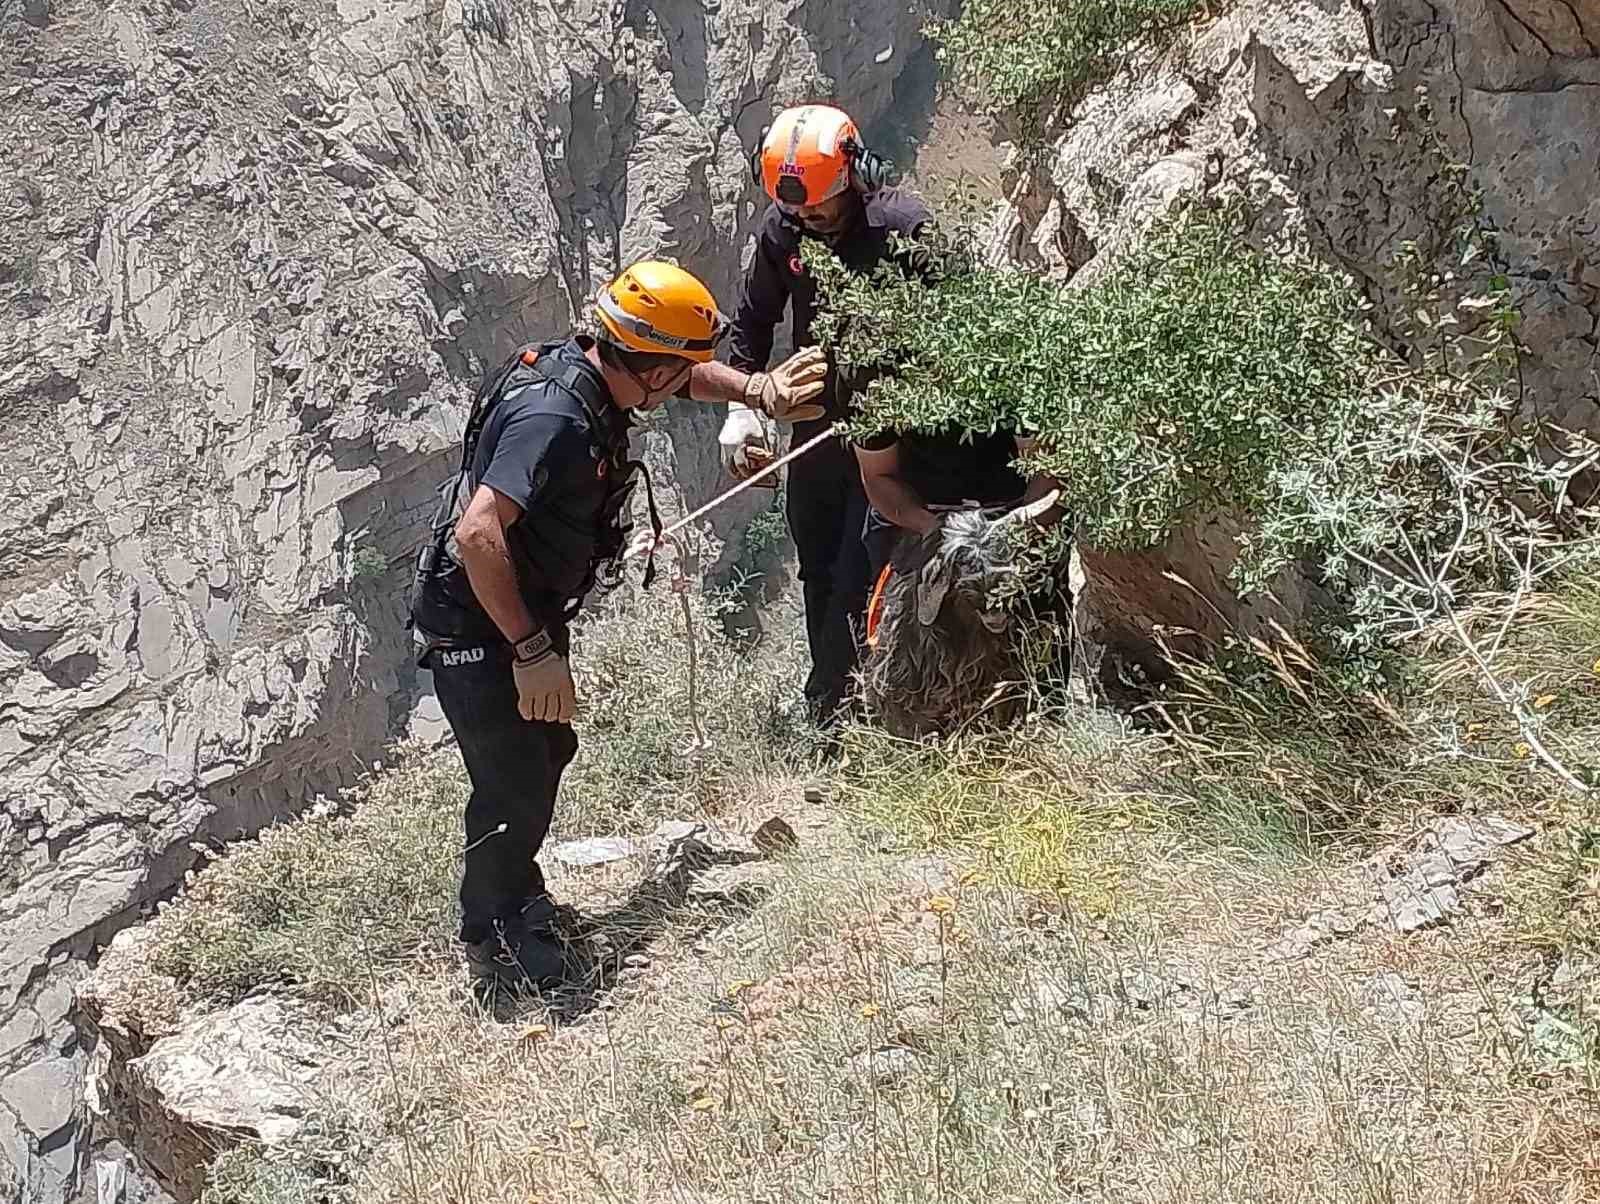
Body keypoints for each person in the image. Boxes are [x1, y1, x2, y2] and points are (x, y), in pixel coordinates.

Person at [409, 260, 798, 996]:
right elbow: (478, 531)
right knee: (512, 778)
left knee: (544, 750)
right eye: (680, 365)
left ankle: (516, 898)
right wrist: (529, 649)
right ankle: (497, 935)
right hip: (483, 625)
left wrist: (756, 390)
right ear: (645, 364)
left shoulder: (592, 367)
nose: (689, 377)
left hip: (513, 615)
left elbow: (687, 376)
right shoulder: (554, 420)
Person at [691, 102, 936, 728]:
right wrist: (747, 406)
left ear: (854, 177)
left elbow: (957, 329)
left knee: (861, 572)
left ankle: (836, 716)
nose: (810, 218)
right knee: (819, 570)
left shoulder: (903, 229)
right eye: (797, 209)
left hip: (892, 428)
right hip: (816, 427)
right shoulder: (787, 229)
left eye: (821, 207)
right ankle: (842, 704)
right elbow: (753, 319)